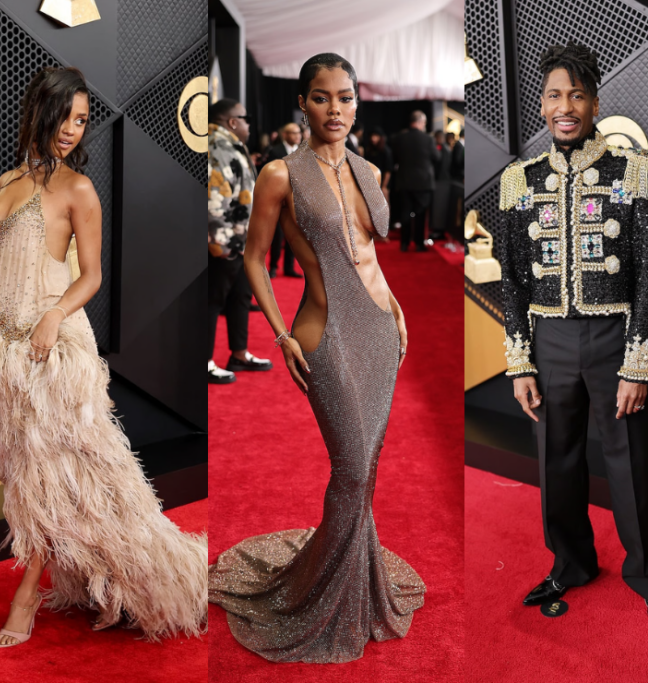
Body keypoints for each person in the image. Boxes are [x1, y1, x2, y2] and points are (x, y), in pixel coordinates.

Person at [0, 67, 207, 646]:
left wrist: (54, 315)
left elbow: (92, 274)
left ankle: (26, 597)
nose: (72, 129)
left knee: (55, 478)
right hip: (7, 355)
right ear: (39, 110)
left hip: (55, 351)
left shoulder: (77, 189)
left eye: (82, 120)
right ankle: (97, 571)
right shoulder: (7, 181)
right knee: (31, 478)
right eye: (65, 115)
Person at [208, 52, 425, 664]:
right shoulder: (280, 174)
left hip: (380, 330)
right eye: (323, 97)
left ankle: (356, 587)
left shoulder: (370, 170)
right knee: (351, 467)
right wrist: (280, 334)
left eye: (346, 97)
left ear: (357, 103)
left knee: (368, 470)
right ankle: (313, 596)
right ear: (302, 102)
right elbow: (254, 257)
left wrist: (397, 307)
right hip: (323, 333)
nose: (336, 109)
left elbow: (369, 256)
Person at [499, 41, 648, 632]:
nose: (565, 107)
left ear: (595, 103)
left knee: (632, 463)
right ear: (542, 105)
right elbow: (512, 278)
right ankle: (570, 564)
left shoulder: (633, 171)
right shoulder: (520, 181)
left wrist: (637, 364)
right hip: (547, 341)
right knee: (557, 460)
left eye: (576, 95)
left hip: (614, 338)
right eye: (554, 96)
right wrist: (520, 362)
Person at [206, 98, 273, 384]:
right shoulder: (217, 146)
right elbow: (214, 199)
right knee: (212, 301)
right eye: (246, 119)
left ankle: (239, 354)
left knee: (241, 296)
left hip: (242, 242)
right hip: (227, 244)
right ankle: (205, 362)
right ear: (232, 122)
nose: (249, 125)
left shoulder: (230, 145)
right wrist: (221, 245)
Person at [390, 111, 439, 252]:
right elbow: (437, 157)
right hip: (423, 182)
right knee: (420, 214)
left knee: (405, 213)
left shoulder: (399, 138)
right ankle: (419, 244)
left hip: (404, 181)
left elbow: (394, 158)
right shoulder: (428, 139)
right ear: (421, 122)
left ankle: (404, 243)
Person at [267, 123, 302, 278]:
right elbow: (269, 175)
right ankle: (273, 266)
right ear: (285, 135)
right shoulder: (275, 151)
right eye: (294, 133)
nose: (297, 136)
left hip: (297, 199)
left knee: (294, 235)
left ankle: (289, 267)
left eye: (299, 133)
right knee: (278, 235)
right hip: (279, 199)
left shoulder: (303, 151)